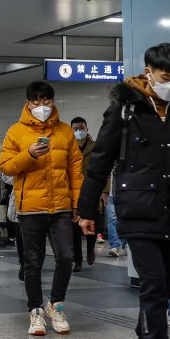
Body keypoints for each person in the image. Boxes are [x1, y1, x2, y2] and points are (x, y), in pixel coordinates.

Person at [77, 43, 170, 339]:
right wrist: (86, 210)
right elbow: (100, 160)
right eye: (166, 77)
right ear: (148, 72)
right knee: (154, 284)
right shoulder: (124, 109)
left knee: (163, 286)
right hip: (138, 208)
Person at [0, 81, 85, 336]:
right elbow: (5, 166)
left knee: (66, 258)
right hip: (31, 208)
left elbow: (76, 171)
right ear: (28, 103)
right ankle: (35, 310)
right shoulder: (16, 131)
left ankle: (56, 305)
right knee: (32, 262)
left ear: (53, 101)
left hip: (61, 207)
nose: (41, 105)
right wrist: (29, 154)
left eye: (46, 100)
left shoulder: (65, 131)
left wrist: (78, 203)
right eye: (36, 101)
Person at [69, 116, 99, 272]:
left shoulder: (96, 147)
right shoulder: (68, 148)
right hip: (73, 193)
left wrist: (105, 191)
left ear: (87, 128)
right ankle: (77, 260)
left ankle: (90, 248)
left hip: (91, 191)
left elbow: (103, 170)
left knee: (91, 225)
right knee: (74, 228)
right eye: (75, 129)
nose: (79, 131)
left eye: (81, 128)